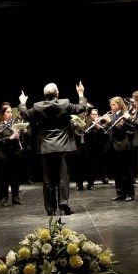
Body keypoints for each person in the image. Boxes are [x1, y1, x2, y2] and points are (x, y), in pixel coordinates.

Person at [18, 82, 87, 216]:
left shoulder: (37, 106)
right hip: (63, 146)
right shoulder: (65, 103)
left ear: (45, 95)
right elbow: (82, 107)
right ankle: (63, 206)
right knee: (63, 178)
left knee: (48, 180)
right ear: (57, 94)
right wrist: (80, 93)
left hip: (46, 147)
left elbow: (25, 114)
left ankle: (50, 209)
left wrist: (22, 102)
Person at [106, 97, 135, 202]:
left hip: (122, 146)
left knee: (126, 172)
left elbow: (120, 130)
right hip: (113, 146)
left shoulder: (123, 115)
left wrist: (109, 122)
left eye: (113, 104)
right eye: (111, 105)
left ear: (119, 105)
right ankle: (120, 194)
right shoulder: (112, 115)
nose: (111, 106)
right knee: (117, 172)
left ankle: (130, 194)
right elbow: (110, 130)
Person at [0, 105, 23, 207]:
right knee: (3, 179)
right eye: (7, 112)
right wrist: (10, 138)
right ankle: (3, 199)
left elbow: (19, 139)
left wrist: (18, 136)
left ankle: (16, 198)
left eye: (11, 112)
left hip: (14, 155)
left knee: (15, 178)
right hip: (3, 156)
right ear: (2, 114)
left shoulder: (14, 125)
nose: (10, 114)